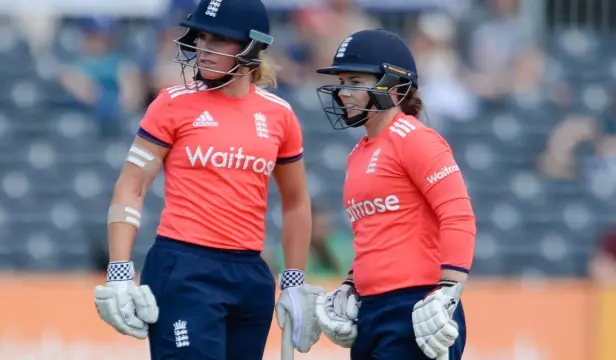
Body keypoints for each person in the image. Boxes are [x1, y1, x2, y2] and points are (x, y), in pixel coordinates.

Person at [92, 0, 323, 359]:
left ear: (252, 46)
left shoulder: (280, 115)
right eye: (202, 37)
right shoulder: (171, 103)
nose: (203, 48)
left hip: (251, 275)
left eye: (219, 40)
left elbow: (296, 202)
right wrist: (120, 270)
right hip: (184, 268)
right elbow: (131, 185)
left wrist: (294, 279)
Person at [312, 29, 477, 360]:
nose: (343, 92)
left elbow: (458, 216)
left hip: (416, 307)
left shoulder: (415, 139)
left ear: (395, 85)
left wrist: (447, 292)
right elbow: (375, 235)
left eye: (355, 81)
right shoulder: (358, 153)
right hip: (372, 309)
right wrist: (350, 285)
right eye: (342, 81)